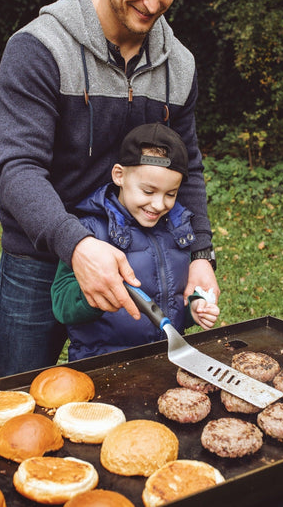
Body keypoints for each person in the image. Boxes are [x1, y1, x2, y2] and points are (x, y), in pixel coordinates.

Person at [0, 0, 220, 378]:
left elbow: (186, 169)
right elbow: (18, 169)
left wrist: (200, 257)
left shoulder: (180, 66)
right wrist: (75, 243)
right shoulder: (38, 49)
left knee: (132, 394)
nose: (153, 4)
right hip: (39, 255)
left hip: (136, 253)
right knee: (16, 396)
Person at [51, 123, 219, 361]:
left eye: (170, 194)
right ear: (119, 175)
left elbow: (172, 297)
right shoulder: (89, 232)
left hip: (164, 358)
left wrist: (192, 310)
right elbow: (62, 304)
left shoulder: (179, 231)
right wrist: (95, 297)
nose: (159, 204)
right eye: (148, 192)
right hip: (101, 362)